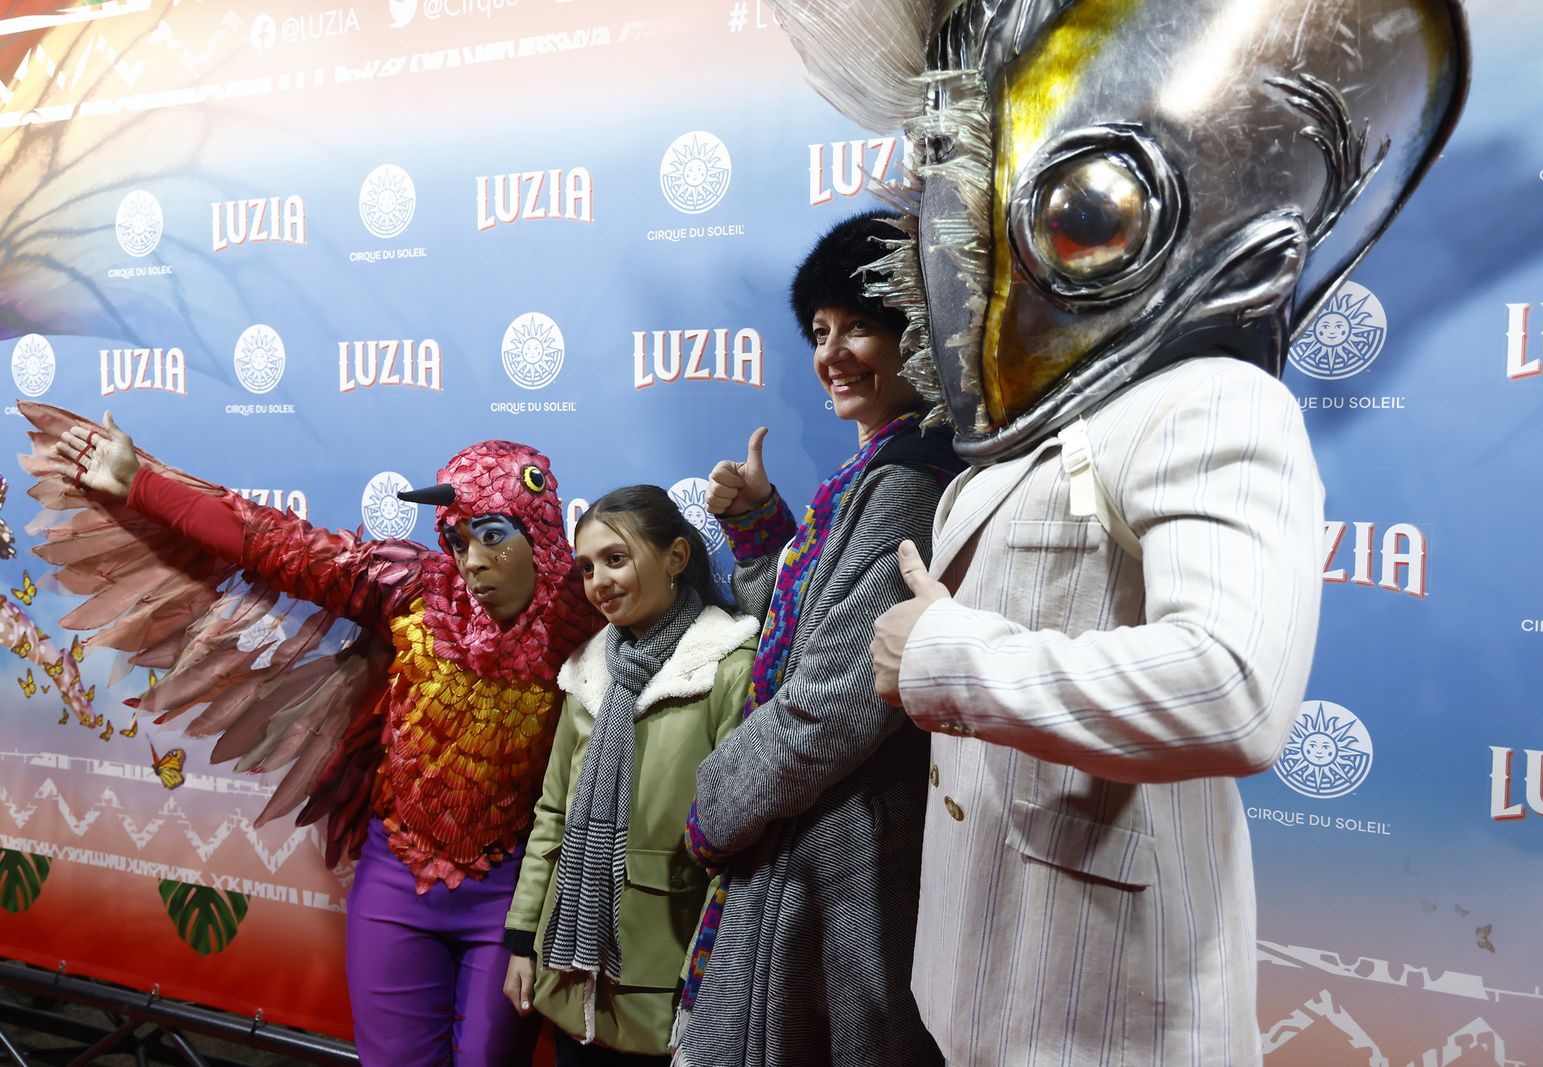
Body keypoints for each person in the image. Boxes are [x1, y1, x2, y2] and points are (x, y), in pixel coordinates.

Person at [755, 1, 1467, 1063]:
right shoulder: (1031, 436)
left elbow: (1233, 687)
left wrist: (949, 657)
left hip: (1108, 1018)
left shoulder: (1210, 402)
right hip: (977, 989)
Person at [24, 404, 601, 1065]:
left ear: (538, 531)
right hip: (398, 881)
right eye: (459, 539)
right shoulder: (413, 587)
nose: (472, 560)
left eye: (492, 535)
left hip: (510, 892)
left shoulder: (584, 622)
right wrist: (138, 483)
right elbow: (274, 543)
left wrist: (754, 526)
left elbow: (677, 612)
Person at [671, 211, 960, 1067]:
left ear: (924, 331)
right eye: (821, 330)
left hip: (845, 859)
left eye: (861, 326)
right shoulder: (876, 467)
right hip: (824, 841)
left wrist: (715, 804)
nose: (833, 352)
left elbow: (830, 705)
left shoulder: (910, 480)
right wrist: (763, 529)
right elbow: (798, 641)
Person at [501, 485, 758, 1066]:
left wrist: (714, 983)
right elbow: (553, 817)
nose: (599, 583)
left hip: (674, 984)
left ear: (675, 557)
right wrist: (522, 941)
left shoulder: (727, 667)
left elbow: (742, 850)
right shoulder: (586, 673)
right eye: (588, 568)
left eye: (616, 560)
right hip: (570, 973)